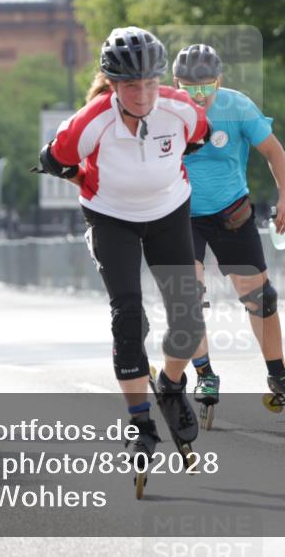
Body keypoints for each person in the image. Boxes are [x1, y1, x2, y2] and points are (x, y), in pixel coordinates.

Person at [35, 27, 211, 472]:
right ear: (112, 84)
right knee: (129, 315)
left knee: (188, 313)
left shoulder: (181, 110)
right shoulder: (92, 120)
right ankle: (139, 423)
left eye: (150, 82)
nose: (142, 94)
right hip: (110, 216)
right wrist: (87, 181)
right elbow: (55, 161)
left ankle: (171, 386)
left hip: (169, 210)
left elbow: (195, 141)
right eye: (131, 85)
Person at [172, 43, 285, 426]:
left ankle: (279, 373)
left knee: (261, 298)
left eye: (206, 87)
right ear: (175, 83)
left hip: (231, 210)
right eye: (189, 88)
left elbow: (274, 153)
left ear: (220, 81)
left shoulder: (237, 107)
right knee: (188, 294)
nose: (198, 96)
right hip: (180, 214)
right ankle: (205, 374)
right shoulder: (165, 112)